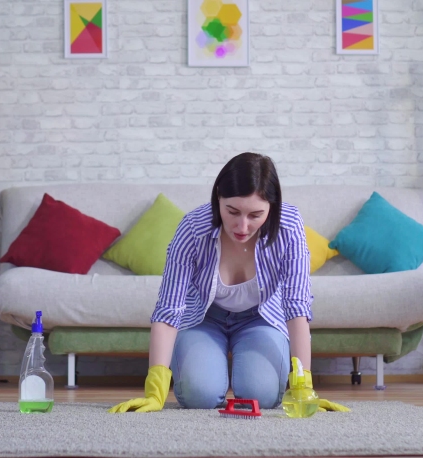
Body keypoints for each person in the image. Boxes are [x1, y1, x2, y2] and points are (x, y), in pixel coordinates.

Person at [108, 153, 348, 413]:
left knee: (263, 397)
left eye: (255, 215)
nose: (242, 226)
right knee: (199, 397)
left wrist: (303, 386)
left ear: (272, 207)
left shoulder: (288, 227)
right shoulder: (193, 228)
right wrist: (154, 391)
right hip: (203, 319)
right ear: (218, 198)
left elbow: (296, 307)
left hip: (261, 318)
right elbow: (169, 310)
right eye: (232, 211)